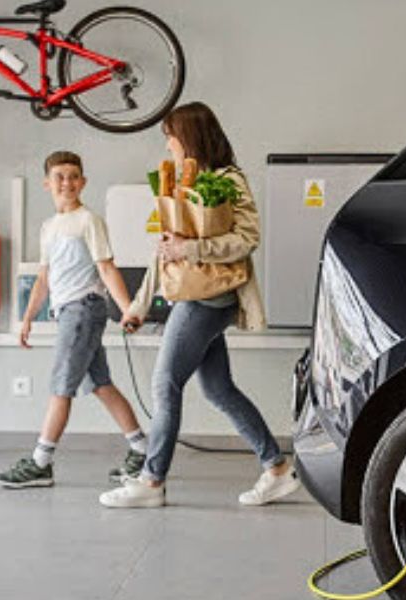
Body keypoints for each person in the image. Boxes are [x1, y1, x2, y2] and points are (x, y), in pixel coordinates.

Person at [99, 102, 302, 508]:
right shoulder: (183, 183)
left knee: (164, 384)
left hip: (210, 298)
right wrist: (140, 304)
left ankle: (151, 481)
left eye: (172, 136)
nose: (168, 144)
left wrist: (191, 247)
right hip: (193, 295)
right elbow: (166, 253)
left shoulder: (229, 180)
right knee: (218, 389)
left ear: (189, 137)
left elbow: (247, 238)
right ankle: (277, 468)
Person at [0, 151, 148, 488]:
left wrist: (128, 309)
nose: (67, 182)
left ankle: (40, 463)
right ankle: (143, 451)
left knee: (59, 388)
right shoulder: (49, 227)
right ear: (47, 183)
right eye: (60, 176)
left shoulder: (88, 221)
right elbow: (44, 278)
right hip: (68, 311)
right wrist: (27, 319)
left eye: (74, 176)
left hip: (83, 309)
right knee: (100, 385)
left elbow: (107, 268)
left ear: (83, 182)